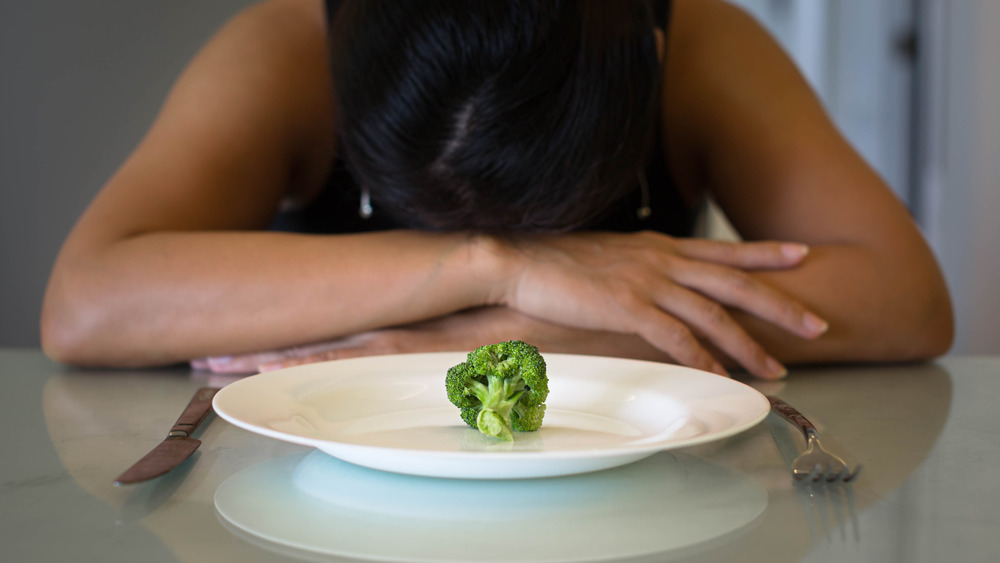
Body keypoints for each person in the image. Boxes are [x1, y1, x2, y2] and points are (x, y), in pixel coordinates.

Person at [40, 0, 953, 379]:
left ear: (648, 63)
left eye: (543, 223)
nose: (499, 241)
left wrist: (507, 328)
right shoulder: (284, 49)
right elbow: (87, 303)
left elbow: (907, 299)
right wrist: (499, 268)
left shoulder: (702, 43)